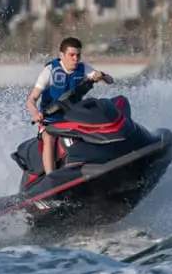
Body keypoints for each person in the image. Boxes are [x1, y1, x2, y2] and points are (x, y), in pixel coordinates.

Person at [25, 36, 115, 175]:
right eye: (71, 55)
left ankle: (100, 161)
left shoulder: (83, 68)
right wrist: (35, 113)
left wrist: (101, 75)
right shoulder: (50, 71)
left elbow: (110, 81)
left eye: (78, 55)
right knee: (49, 138)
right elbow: (31, 100)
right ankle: (51, 176)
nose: (75, 59)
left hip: (73, 117)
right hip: (50, 120)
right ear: (62, 55)